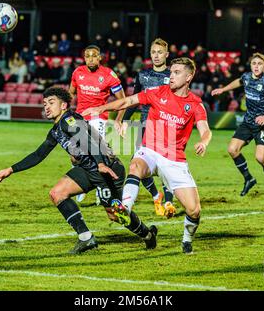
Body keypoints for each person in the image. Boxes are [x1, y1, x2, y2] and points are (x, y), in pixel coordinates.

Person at [0, 87, 157, 254]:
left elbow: (87, 139)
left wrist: (100, 163)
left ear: (63, 105)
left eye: (51, 103)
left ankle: (147, 234)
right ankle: (86, 238)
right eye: (44, 104)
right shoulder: (56, 130)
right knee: (57, 193)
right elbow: (38, 154)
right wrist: (11, 169)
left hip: (107, 168)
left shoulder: (69, 119)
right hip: (87, 169)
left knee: (115, 215)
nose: (46, 107)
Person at [82, 57, 212, 254]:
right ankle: (125, 208)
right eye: (171, 71)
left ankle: (186, 240)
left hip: (173, 158)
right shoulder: (157, 92)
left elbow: (206, 129)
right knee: (135, 165)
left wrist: (203, 141)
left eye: (177, 72)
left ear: (189, 76)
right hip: (150, 150)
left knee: (194, 210)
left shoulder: (194, 104)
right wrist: (101, 108)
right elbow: (128, 101)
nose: (171, 76)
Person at [211, 53, 264, 198]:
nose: (256, 66)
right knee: (232, 149)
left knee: (260, 158)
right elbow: (238, 81)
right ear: (250, 65)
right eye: (254, 63)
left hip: (263, 125)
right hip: (248, 122)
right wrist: (223, 89)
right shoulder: (246, 77)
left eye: (259, 64)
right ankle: (249, 178)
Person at [117, 38, 176, 218]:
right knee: (139, 167)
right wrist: (125, 120)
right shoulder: (142, 75)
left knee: (168, 167)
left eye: (160, 52)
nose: (156, 56)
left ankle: (169, 202)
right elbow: (134, 100)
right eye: (153, 52)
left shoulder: (173, 75)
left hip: (166, 126)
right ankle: (156, 196)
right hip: (144, 126)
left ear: (166, 54)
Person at [69, 45, 126, 203]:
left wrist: (118, 119)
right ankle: (80, 182)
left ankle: (101, 190)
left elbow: (122, 100)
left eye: (94, 56)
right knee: (74, 156)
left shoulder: (108, 75)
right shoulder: (77, 72)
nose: (91, 59)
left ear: (100, 57)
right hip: (80, 117)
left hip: (98, 117)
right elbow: (70, 93)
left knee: (96, 154)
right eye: (87, 56)